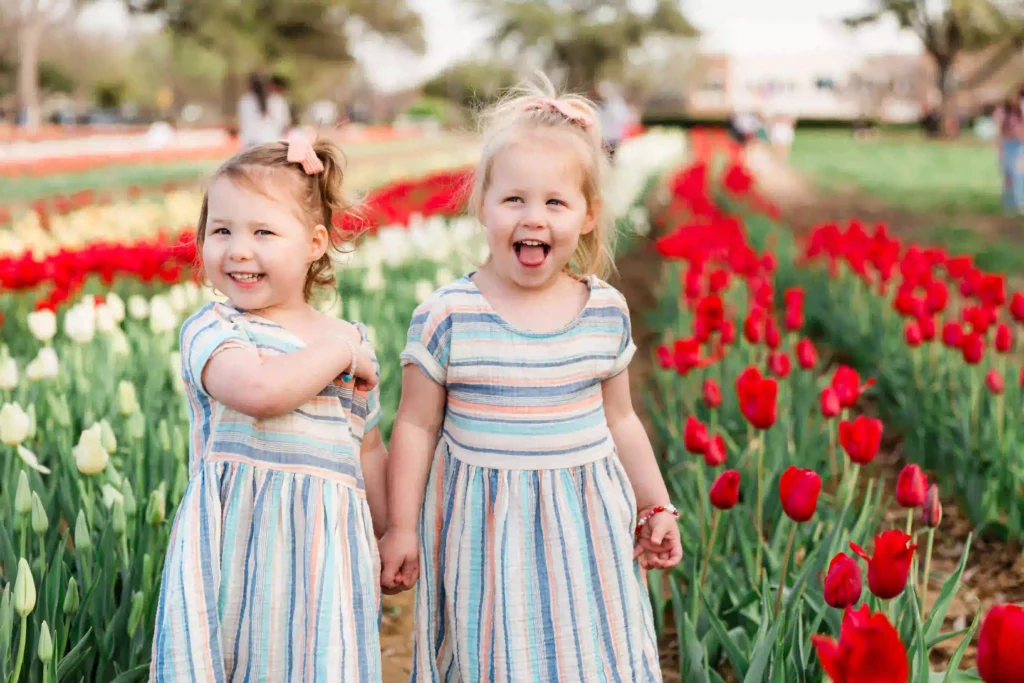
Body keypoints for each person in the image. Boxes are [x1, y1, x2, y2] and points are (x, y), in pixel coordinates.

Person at [379, 76, 683, 682]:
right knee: (495, 658)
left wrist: (656, 503)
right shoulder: (448, 316)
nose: (533, 218)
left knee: (591, 656)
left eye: (555, 203)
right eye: (514, 199)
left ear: (588, 216)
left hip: (586, 529)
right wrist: (401, 526)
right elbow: (414, 425)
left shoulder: (603, 311)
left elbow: (621, 419)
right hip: (486, 535)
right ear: (482, 205)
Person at [149, 133, 389, 682]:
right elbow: (259, 393)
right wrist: (339, 353)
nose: (238, 249)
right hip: (237, 548)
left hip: (326, 558)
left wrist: (390, 532)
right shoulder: (214, 330)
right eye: (221, 231)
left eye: (263, 232)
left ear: (314, 243)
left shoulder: (348, 340)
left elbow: (368, 449)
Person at [237, 72, 285, 147]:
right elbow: (282, 123)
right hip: (272, 142)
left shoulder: (245, 100)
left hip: (250, 143)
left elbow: (242, 123)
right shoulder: (277, 100)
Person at [996, 89, 1024, 214]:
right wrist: (1000, 149)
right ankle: (1009, 204)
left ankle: (1020, 203)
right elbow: (1000, 132)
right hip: (1008, 145)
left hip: (1020, 146)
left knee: (1019, 174)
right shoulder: (1004, 113)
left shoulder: (1020, 112)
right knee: (1008, 175)